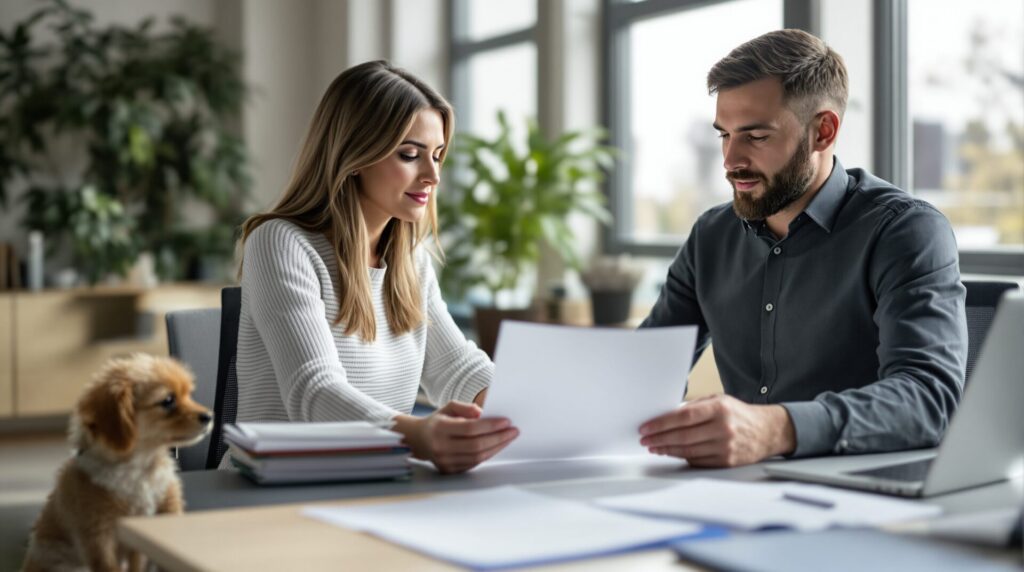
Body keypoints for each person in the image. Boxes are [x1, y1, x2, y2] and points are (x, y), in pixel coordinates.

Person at [637, 29, 967, 468]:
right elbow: (640, 377)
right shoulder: (710, 236)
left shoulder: (905, 231)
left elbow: (930, 399)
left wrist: (775, 430)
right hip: (736, 490)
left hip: (864, 497)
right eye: (724, 135)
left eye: (755, 137)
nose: (730, 160)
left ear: (823, 132)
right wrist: (525, 423)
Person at [232, 61, 518, 474]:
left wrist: (522, 405)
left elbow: (458, 368)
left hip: (375, 483)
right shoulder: (281, 243)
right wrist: (418, 436)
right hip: (274, 489)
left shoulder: (411, 260)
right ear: (355, 155)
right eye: (410, 155)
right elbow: (314, 392)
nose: (433, 175)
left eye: (437, 155)